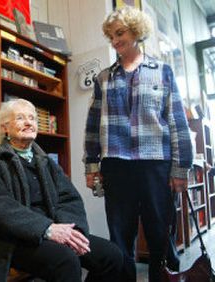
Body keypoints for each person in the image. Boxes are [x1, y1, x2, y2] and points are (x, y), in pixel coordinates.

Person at [83, 6, 193, 282]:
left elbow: (178, 123)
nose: (115, 41)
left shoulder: (163, 72)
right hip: (116, 167)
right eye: (111, 36)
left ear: (136, 31)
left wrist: (180, 169)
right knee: (120, 237)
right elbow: (93, 126)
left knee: (160, 235)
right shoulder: (103, 79)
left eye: (119, 33)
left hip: (156, 164)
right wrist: (91, 166)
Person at [0, 98, 123, 282]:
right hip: (11, 239)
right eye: (20, 118)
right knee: (66, 260)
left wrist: (72, 231)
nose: (29, 122)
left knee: (111, 256)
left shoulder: (46, 162)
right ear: (5, 128)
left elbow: (68, 198)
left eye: (33, 118)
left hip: (51, 230)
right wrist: (46, 229)